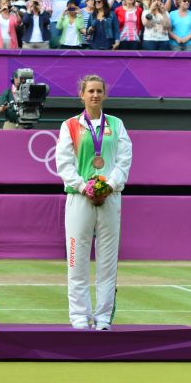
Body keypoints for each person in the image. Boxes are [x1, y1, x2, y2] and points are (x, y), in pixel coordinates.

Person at [55, 74, 132, 331]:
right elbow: (64, 163)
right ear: (82, 95)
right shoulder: (70, 125)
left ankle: (102, 318)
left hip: (109, 197)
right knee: (77, 258)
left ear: (104, 95)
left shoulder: (117, 125)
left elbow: (124, 160)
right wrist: (82, 186)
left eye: (99, 91)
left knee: (107, 262)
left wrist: (110, 185)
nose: (95, 95)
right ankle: (79, 316)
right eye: (91, 91)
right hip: (79, 199)